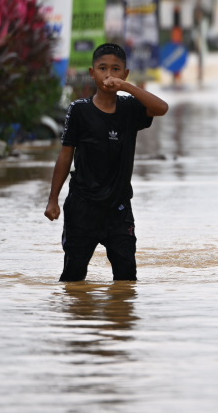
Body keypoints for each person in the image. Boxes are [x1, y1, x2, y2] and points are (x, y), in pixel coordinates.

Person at [44, 42, 168, 282]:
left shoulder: (130, 109)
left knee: (126, 279)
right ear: (92, 73)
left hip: (119, 209)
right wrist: (53, 200)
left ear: (125, 73)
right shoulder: (79, 110)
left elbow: (161, 107)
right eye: (102, 68)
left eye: (116, 69)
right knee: (73, 277)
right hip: (82, 206)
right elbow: (65, 155)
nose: (109, 75)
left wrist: (127, 88)